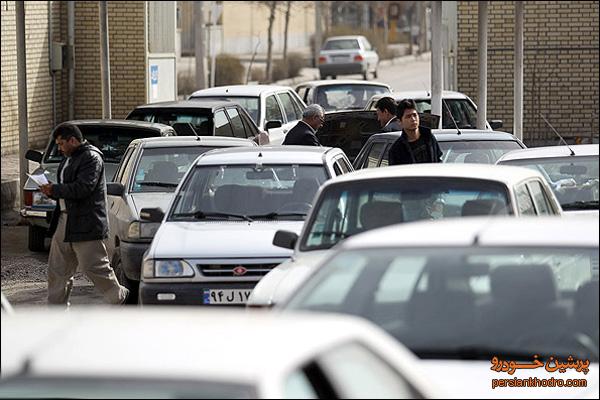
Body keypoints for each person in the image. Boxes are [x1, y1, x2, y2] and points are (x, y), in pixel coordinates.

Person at [39, 123, 129, 306]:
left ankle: (119, 297)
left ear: (73, 140)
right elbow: (68, 185)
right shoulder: (68, 157)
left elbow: (84, 187)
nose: (60, 148)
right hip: (65, 219)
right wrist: (51, 189)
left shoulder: (91, 157)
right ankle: (56, 309)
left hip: (86, 222)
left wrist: (55, 190)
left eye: (61, 143)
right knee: (57, 269)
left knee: (93, 267)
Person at [388, 99, 443, 165]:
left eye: (414, 115)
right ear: (399, 121)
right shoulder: (397, 149)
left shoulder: (429, 137)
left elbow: (438, 161)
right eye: (408, 117)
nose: (413, 119)